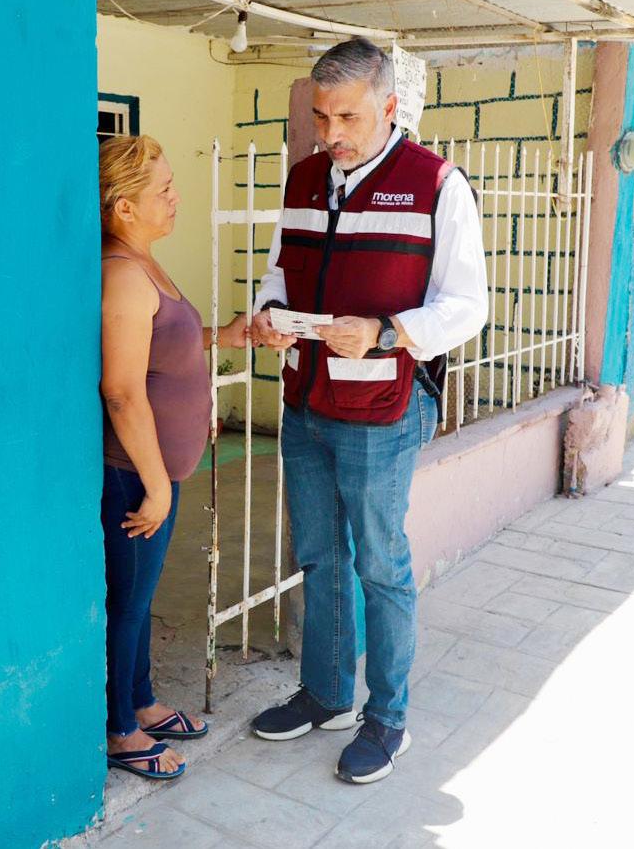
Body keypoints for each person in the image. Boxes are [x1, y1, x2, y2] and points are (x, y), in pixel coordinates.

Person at [246, 38, 489, 784]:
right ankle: (326, 694)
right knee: (319, 556)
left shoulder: (435, 184)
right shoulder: (304, 178)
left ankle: (387, 718)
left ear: (389, 106)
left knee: (381, 567)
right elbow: (280, 271)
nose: (331, 133)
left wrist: (386, 331)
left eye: (348, 117)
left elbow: (468, 306)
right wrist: (268, 313)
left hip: (382, 408)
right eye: (321, 117)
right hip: (305, 400)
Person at [98, 134, 249, 780]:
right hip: (136, 476)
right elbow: (122, 391)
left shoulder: (146, 263)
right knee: (128, 603)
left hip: (156, 474)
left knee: (142, 595)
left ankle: (142, 700)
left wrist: (227, 336)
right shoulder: (123, 276)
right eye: (162, 189)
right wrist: (156, 484)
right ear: (125, 207)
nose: (175, 197)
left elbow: (167, 345)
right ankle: (119, 730)